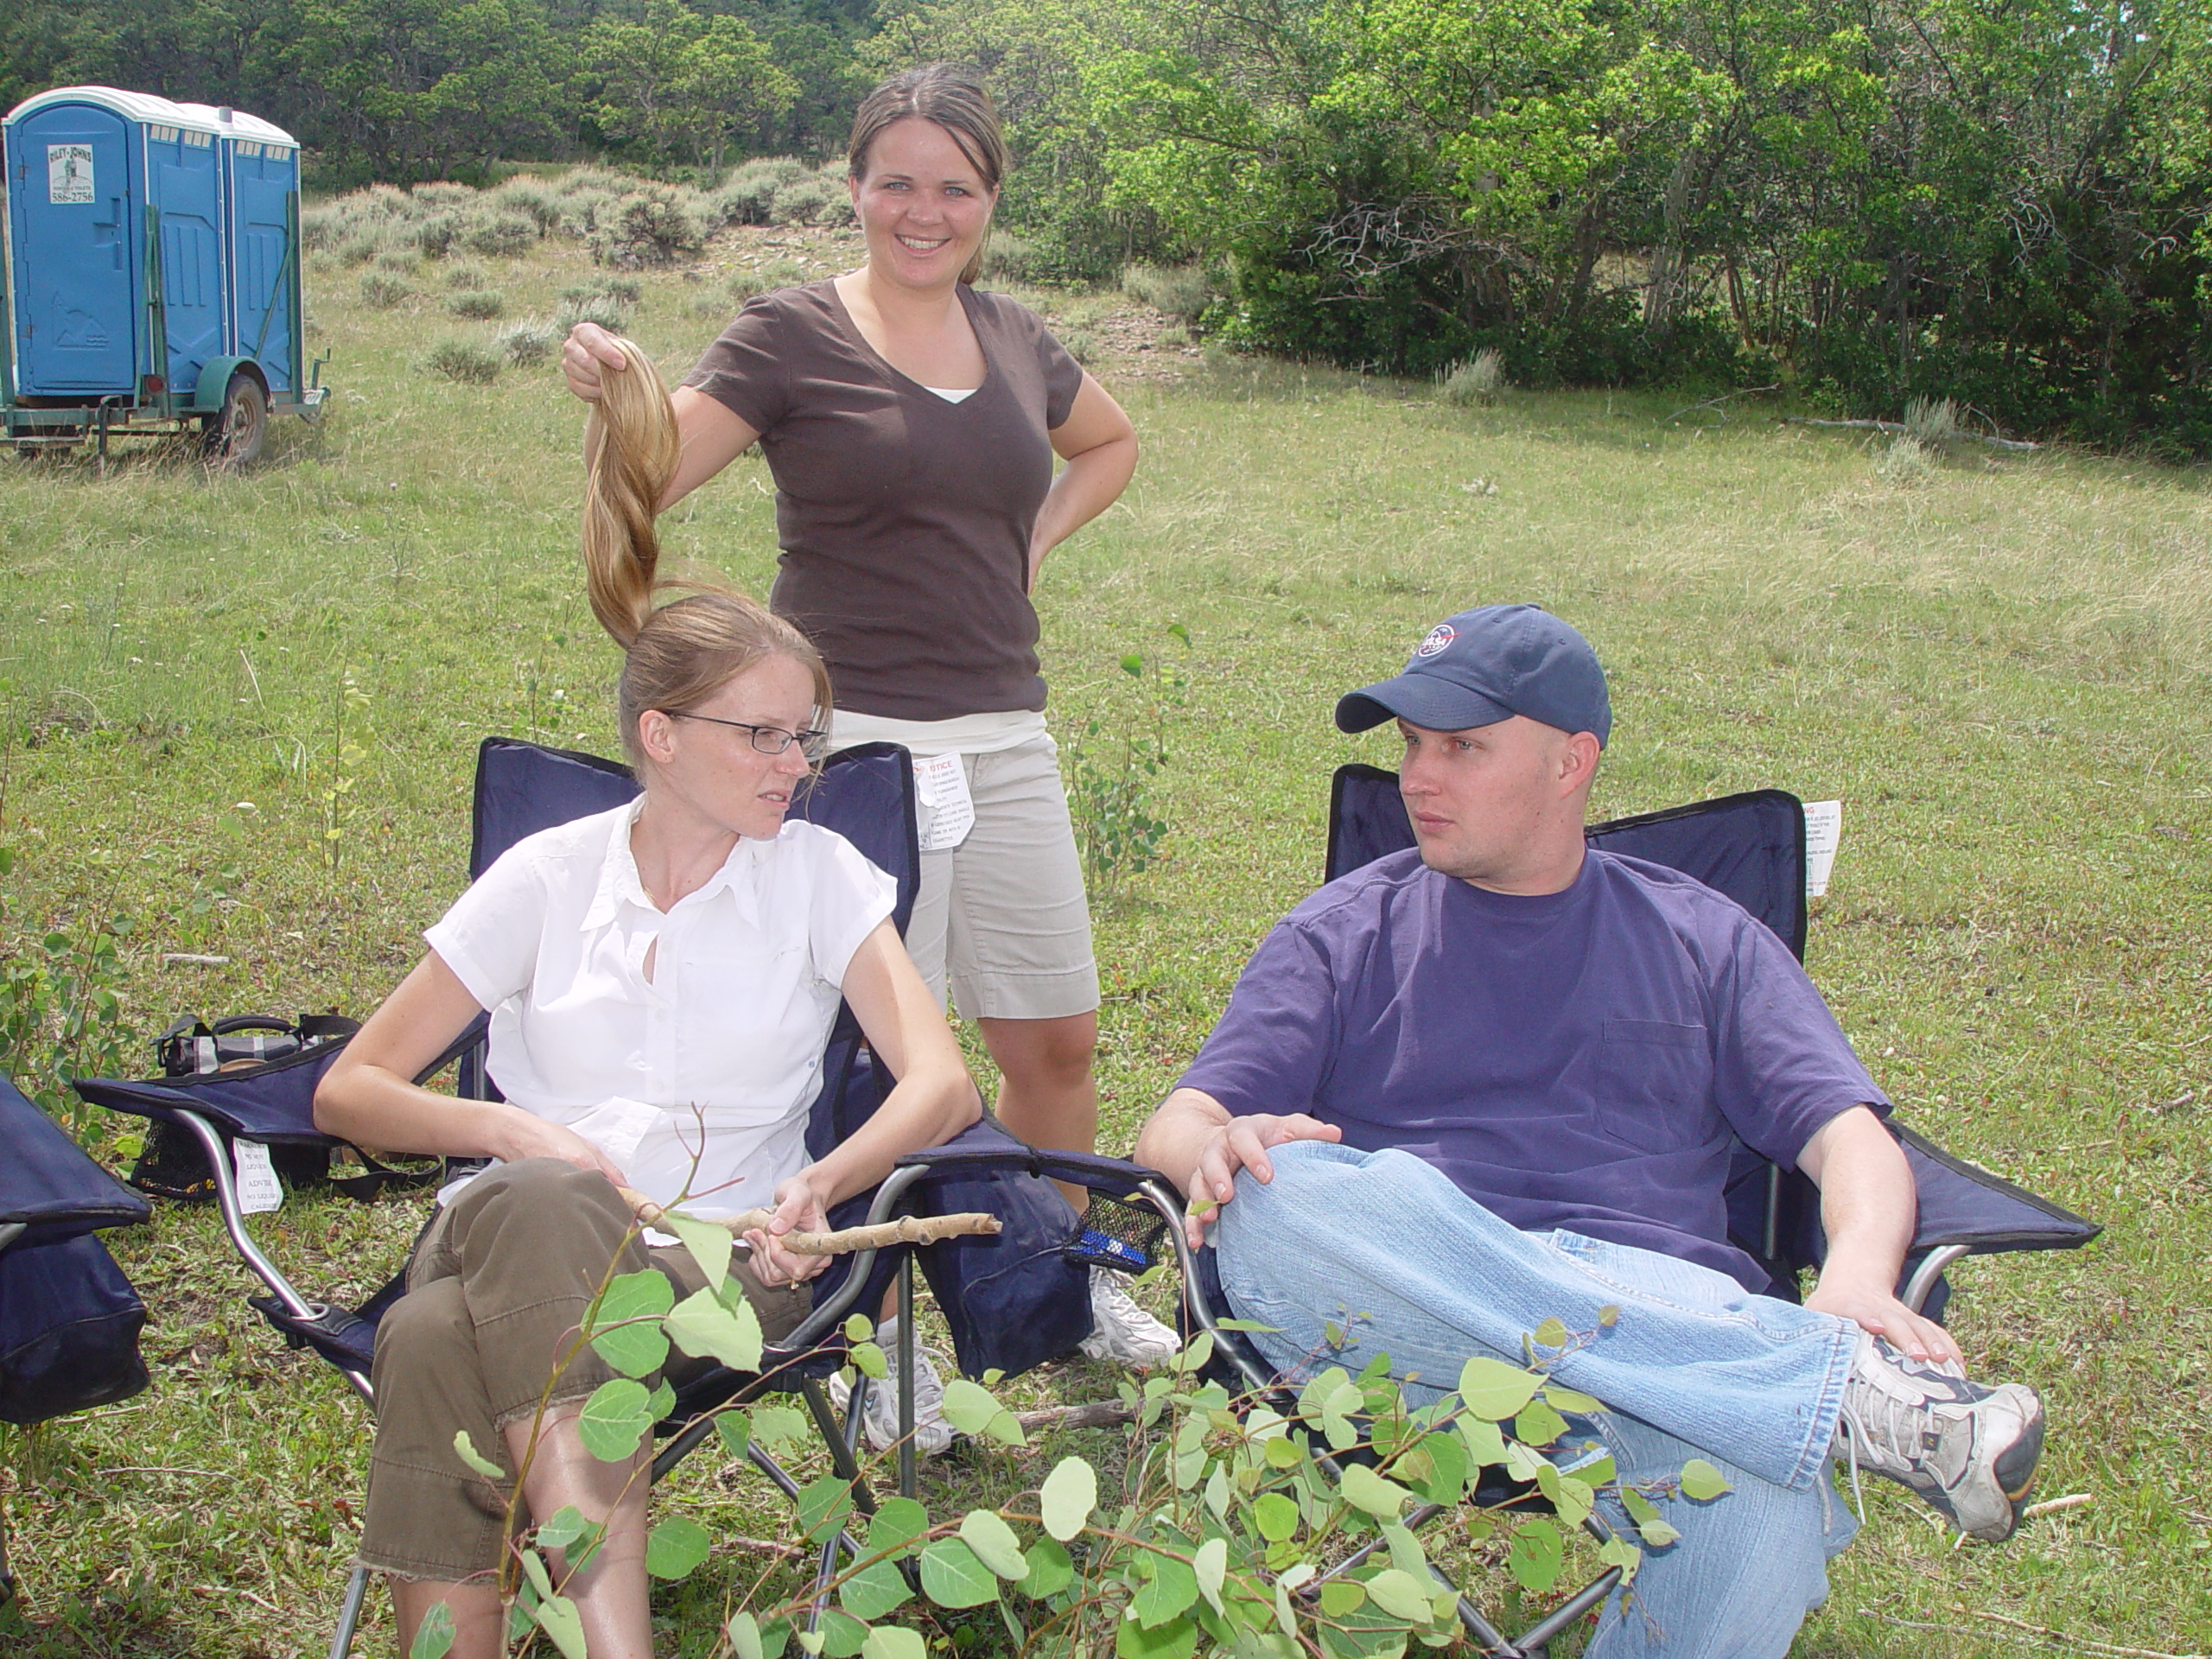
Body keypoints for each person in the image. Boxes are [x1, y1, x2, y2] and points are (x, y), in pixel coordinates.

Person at [1134, 604, 2047, 1656]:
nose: (1418, 780)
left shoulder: (1704, 939)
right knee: (1281, 1193)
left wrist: (1853, 1278)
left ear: (1573, 763)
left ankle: (1790, 1388)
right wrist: (1209, 1147)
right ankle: (1822, 1389)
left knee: (1762, 1498)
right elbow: (1178, 1123)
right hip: (1407, 1343)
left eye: (1462, 748)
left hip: (1663, 1372)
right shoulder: (1342, 933)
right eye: (1411, 746)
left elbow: (1849, 1140)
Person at [315, 340, 981, 1659]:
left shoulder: (819, 875)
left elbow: (943, 1082)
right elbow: (350, 1092)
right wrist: (521, 1135)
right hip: (517, 1223)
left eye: (809, 734)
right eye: (765, 734)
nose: (798, 763)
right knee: (551, 1205)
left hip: (730, 1266)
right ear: (660, 735)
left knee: (434, 1344)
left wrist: (820, 1187)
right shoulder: (547, 878)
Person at [561, 62, 1177, 1389]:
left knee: (1052, 1040)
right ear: (853, 188)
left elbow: (1111, 444)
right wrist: (613, 385)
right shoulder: (793, 334)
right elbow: (654, 465)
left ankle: (1049, 1290)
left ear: (989, 200)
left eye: (954, 186)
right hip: (846, 746)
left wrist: (1033, 543)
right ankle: (873, 1333)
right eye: (895, 180)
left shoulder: (1015, 337)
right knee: (878, 1063)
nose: (923, 209)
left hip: (1007, 734)